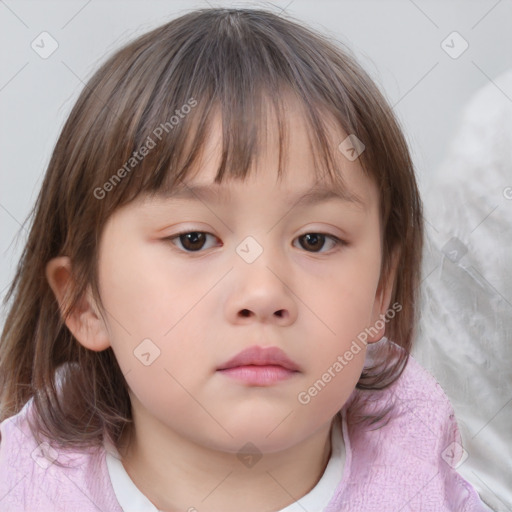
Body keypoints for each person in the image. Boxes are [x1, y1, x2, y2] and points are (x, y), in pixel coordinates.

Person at [0, 8, 491, 511]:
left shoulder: (434, 492)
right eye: (193, 239)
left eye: (315, 240)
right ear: (84, 299)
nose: (263, 293)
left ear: (379, 292)